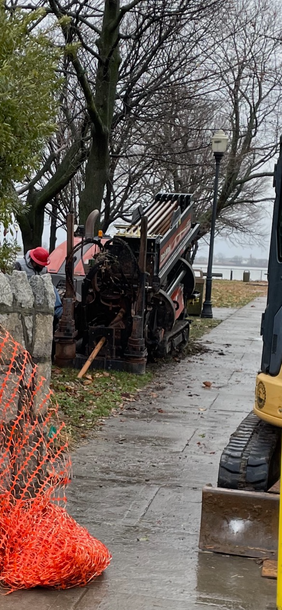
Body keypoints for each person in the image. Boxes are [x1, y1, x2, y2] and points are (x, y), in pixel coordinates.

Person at [15, 247, 63, 319]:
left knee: (52, 288)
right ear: (33, 261)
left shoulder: (43, 269)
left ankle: (58, 310)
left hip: (39, 291)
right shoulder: (19, 265)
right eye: (40, 265)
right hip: (25, 291)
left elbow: (47, 283)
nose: (42, 267)